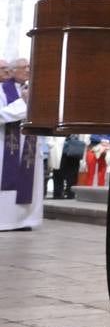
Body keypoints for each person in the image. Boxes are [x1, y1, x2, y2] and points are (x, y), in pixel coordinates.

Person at [0, 58, 42, 230]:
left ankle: (25, 220)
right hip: (5, 145)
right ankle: (5, 221)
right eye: (23, 67)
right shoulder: (2, 90)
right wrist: (23, 103)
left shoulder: (34, 90)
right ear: (12, 71)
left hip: (29, 145)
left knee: (30, 183)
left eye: (29, 67)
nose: (27, 70)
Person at [55, 134, 85, 198]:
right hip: (61, 149)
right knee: (58, 173)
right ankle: (59, 194)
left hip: (75, 149)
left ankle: (70, 194)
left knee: (72, 175)